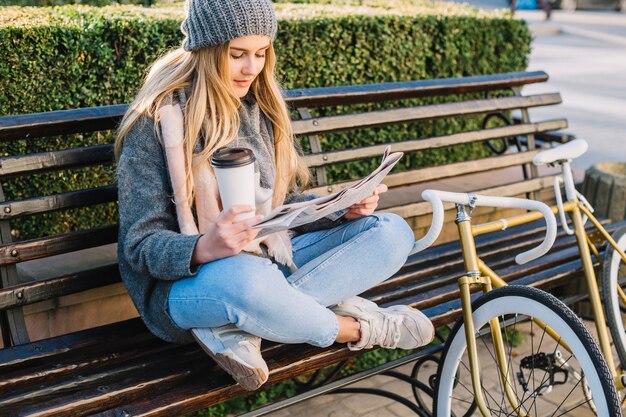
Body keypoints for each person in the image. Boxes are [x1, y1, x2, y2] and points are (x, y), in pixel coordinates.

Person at [115, 0, 434, 392]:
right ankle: (357, 327)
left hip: (270, 263)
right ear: (206, 49)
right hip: (189, 288)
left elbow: (278, 211)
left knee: (391, 232)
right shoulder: (156, 123)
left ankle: (244, 326)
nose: (252, 68)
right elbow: (139, 246)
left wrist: (341, 210)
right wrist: (203, 247)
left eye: (261, 53)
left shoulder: (256, 108)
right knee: (246, 282)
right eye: (237, 55)